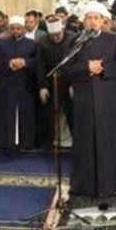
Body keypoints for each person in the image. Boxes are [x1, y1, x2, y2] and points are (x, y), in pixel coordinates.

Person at [63, 2, 116, 198]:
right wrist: (87, 68)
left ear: (103, 21)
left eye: (96, 18)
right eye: (89, 18)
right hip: (83, 100)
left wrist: (103, 69)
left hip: (108, 100)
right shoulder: (75, 41)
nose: (92, 21)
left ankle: (113, 184)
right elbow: (66, 69)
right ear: (84, 21)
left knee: (109, 141)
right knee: (84, 142)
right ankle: (82, 186)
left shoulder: (114, 39)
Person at [0, 15, 38, 150]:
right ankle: (7, 142)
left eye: (18, 28)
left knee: (26, 115)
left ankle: (26, 143)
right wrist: (10, 63)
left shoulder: (32, 44)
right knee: (7, 114)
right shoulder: (2, 44)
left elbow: (37, 62)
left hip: (25, 85)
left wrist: (24, 62)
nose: (15, 31)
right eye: (13, 28)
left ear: (23, 29)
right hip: (7, 85)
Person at [36, 16, 74, 150]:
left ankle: (72, 143)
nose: (55, 37)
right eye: (52, 35)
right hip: (51, 83)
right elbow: (40, 66)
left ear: (62, 30)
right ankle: (50, 144)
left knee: (71, 114)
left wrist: (74, 84)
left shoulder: (72, 39)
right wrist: (42, 86)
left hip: (69, 82)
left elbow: (76, 62)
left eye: (58, 34)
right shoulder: (42, 42)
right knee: (50, 115)